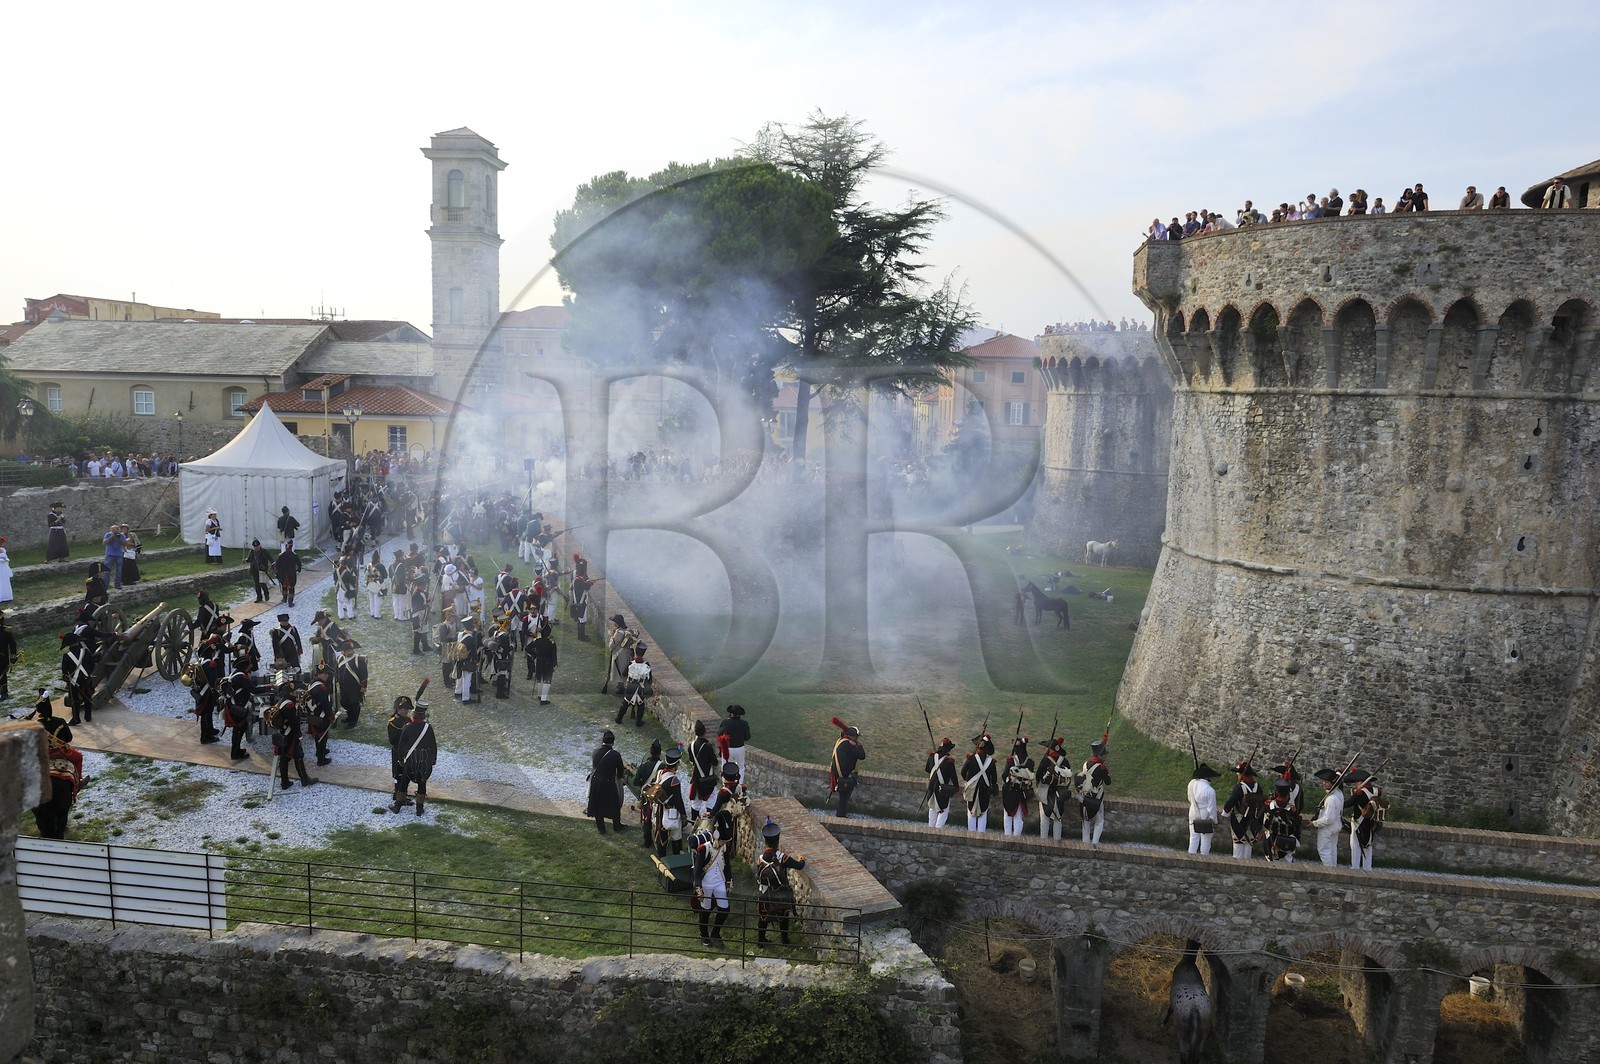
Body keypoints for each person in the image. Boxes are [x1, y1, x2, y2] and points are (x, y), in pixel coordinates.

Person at [754, 817, 806, 946]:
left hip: (764, 892)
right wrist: (802, 859)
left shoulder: (760, 859)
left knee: (763, 916)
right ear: (777, 841)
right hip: (780, 893)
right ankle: (784, 941)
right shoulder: (782, 858)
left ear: (766, 842)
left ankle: (761, 941)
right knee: (783, 916)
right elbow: (799, 866)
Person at [390, 701, 436, 815]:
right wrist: (432, 760)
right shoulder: (428, 728)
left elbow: (401, 746)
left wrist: (401, 760)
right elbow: (433, 745)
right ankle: (419, 810)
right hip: (424, 762)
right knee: (422, 784)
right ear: (424, 715)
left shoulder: (407, 727)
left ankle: (397, 808)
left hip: (410, 762)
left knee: (404, 784)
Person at [267, 691, 318, 791]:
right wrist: (298, 733)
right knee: (298, 756)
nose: (296, 693)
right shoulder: (289, 705)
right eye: (294, 692)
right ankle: (304, 779)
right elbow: (294, 723)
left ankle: (285, 782)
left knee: (284, 758)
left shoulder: (281, 702)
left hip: (283, 732)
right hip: (290, 734)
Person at [585, 729, 628, 834]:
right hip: (608, 782)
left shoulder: (595, 752)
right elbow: (620, 770)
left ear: (602, 741)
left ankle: (601, 828)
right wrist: (620, 778)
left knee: (598, 805)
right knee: (614, 804)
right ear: (612, 742)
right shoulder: (615, 754)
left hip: (595, 782)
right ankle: (616, 826)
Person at [1222, 760, 1263, 860]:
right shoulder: (1258, 787)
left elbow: (1230, 802)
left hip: (1239, 820)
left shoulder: (1239, 787)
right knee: (1248, 849)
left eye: (1238, 772)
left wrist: (1225, 812)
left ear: (1242, 774)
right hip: (1253, 820)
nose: (1237, 774)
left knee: (1238, 850)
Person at [1076, 735, 1111, 845]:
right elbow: (1108, 782)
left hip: (1085, 796)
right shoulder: (1101, 768)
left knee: (1086, 821)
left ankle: (1085, 843)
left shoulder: (1086, 764)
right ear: (1100, 755)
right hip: (1096, 797)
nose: (1106, 756)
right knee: (1099, 821)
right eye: (1104, 754)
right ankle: (1095, 843)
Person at [1035, 736, 1072, 841]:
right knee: (1058, 818)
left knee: (1044, 817)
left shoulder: (1045, 761)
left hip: (1046, 792)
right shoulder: (1065, 762)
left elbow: (1038, 777)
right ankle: (1057, 840)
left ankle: (1043, 840)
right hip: (1060, 793)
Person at [1349, 769, 1385, 871]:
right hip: (1370, 822)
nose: (1356, 784)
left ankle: (1355, 867)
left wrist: (1354, 795)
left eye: (1357, 782)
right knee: (1368, 846)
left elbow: (1348, 803)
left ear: (1361, 782)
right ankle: (1367, 868)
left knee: (1356, 845)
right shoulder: (1376, 791)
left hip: (1359, 822)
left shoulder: (1360, 793)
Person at [960, 733, 997, 833]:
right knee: (983, 813)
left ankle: (971, 834)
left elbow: (963, 772)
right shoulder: (991, 763)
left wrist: (969, 781)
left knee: (971, 812)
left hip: (972, 789)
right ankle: (981, 834)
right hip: (985, 790)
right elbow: (994, 780)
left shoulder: (971, 759)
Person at [829, 721, 866, 819]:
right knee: (844, 797)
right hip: (844, 775)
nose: (857, 738)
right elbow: (862, 755)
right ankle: (840, 815)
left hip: (839, 773)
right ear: (852, 736)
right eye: (856, 737)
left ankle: (842, 813)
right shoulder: (848, 744)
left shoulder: (841, 741)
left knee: (844, 796)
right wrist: (859, 746)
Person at [1309, 767, 1345, 867]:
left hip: (1328, 827)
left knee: (1324, 850)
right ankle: (1333, 869)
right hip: (1335, 826)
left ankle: (1329, 871)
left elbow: (1328, 819)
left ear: (1333, 784)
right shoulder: (1339, 793)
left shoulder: (1331, 799)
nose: (1324, 784)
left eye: (1327, 782)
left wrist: (1314, 823)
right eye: (1324, 781)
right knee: (1332, 849)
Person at [1000, 736, 1035, 837]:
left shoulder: (1011, 760)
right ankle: (1017, 837)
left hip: (1010, 791)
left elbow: (1004, 776)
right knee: (1018, 817)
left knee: (1007, 816)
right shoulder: (1030, 762)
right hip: (1022, 792)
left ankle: (1007, 836)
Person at [1262, 779, 1301, 862]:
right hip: (1287, 842)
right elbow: (1295, 827)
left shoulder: (1269, 805)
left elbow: (1261, 820)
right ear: (1288, 795)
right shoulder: (1292, 810)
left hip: (1270, 840)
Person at [304, 662, 336, 765]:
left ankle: (320, 752)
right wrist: (331, 717)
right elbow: (326, 705)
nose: (326, 676)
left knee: (319, 736)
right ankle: (321, 760)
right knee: (322, 737)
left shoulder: (312, 684)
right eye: (324, 674)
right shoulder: (321, 688)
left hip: (313, 716)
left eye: (327, 674)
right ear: (318, 674)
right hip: (321, 717)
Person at [687, 718, 719, 819]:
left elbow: (692, 761)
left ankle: (693, 823)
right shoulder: (707, 747)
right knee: (711, 800)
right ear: (704, 732)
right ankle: (708, 822)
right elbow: (715, 762)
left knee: (696, 803)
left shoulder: (690, 746)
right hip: (708, 777)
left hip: (697, 777)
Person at [924, 737, 959, 829]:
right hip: (943, 789)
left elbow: (927, 769)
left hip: (932, 787)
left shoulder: (931, 757)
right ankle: (938, 829)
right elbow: (953, 777)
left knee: (932, 808)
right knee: (943, 810)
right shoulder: (949, 762)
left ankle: (931, 828)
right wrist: (956, 787)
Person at [615, 641, 653, 727]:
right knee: (640, 705)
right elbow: (649, 680)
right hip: (641, 688)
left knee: (625, 703)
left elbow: (624, 674)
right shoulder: (647, 665)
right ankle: (638, 722)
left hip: (631, 687)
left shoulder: (631, 664)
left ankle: (618, 719)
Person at [1187, 762, 1219, 856]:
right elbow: (1212, 808)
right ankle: (1204, 857)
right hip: (1205, 814)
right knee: (1206, 840)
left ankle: (1191, 856)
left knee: (1193, 837)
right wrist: (1214, 820)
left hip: (1193, 811)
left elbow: (1189, 798)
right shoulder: (1210, 791)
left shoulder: (1191, 784)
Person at [525, 614, 557, 704]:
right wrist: (555, 665)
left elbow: (527, 648)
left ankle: (539, 695)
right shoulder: (551, 643)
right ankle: (544, 699)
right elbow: (554, 655)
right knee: (547, 680)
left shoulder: (537, 641)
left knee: (539, 678)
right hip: (548, 663)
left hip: (539, 661)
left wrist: (535, 654)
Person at [716, 704, 750, 780]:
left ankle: (726, 784)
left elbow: (719, 734)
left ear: (731, 713)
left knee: (725, 766)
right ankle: (740, 786)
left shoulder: (725, 722)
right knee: (741, 767)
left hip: (727, 748)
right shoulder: (744, 723)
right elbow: (747, 737)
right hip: (740, 748)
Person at [246, 539, 273, 603]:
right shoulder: (252, 552)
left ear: (259, 545)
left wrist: (273, 563)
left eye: (257, 547)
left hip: (262, 570)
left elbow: (270, 558)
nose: (256, 548)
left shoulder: (264, 551)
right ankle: (259, 597)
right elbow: (249, 559)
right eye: (255, 547)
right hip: (254, 570)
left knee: (262, 583)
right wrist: (246, 560)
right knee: (257, 585)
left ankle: (266, 594)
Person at [102, 524, 127, 589]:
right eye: (113, 530)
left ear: (118, 530)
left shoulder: (121, 535)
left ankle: (117, 585)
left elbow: (125, 543)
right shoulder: (108, 534)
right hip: (109, 554)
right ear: (111, 530)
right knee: (107, 571)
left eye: (115, 530)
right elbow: (104, 543)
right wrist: (112, 537)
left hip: (119, 555)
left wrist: (119, 538)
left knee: (119, 570)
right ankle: (105, 585)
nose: (114, 532)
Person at [0, 537, 12, 604]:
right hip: (1, 566)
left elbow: (5, 557)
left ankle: (5, 596)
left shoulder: (2, 549)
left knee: (3, 580)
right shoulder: (1, 549)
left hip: (3, 566)